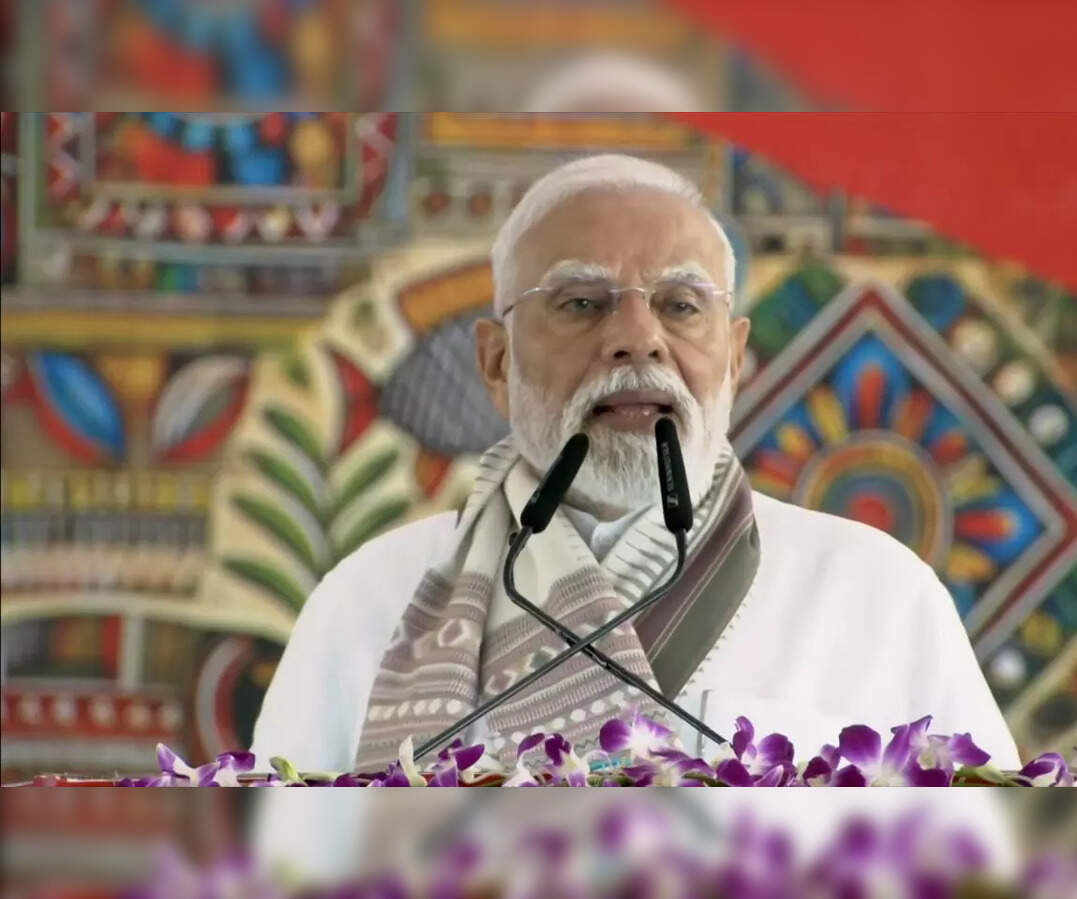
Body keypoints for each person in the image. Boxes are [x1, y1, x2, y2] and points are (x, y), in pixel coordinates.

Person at [250, 154, 1021, 774]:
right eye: (581, 302)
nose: (637, 338)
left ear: (734, 358)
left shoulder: (880, 597)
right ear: (495, 361)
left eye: (681, 304)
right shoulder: (366, 605)